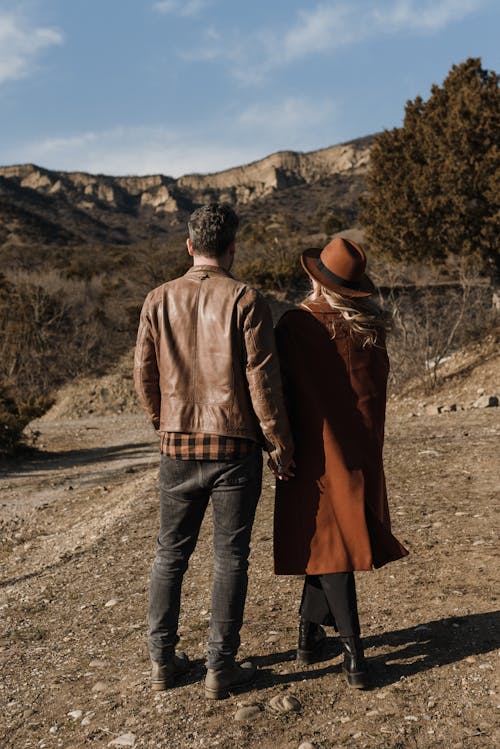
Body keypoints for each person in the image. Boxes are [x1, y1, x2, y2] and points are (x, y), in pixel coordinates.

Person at [134, 203, 294, 700]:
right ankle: (219, 667)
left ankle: (162, 662)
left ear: (189, 246)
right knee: (230, 558)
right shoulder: (246, 299)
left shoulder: (157, 299)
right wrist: (277, 441)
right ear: (231, 247)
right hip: (234, 445)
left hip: (177, 443)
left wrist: (165, 424)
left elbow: (144, 374)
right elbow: (261, 380)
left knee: (169, 554)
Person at [273, 236, 408, 689]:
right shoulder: (372, 329)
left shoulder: (297, 325)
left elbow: (281, 393)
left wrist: (278, 446)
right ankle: (309, 638)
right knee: (325, 541)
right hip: (361, 450)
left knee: (330, 546)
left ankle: (355, 656)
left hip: (313, 451)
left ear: (316, 280)